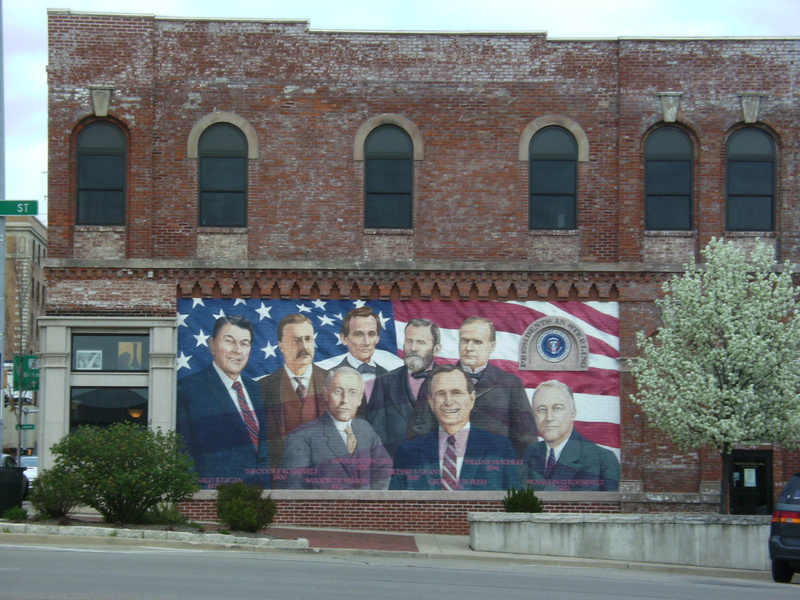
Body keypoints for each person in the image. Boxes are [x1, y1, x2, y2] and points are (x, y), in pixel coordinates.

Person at [407, 316, 536, 456]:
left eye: (477, 342)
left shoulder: (510, 384)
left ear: (491, 346)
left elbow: (526, 440)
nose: (469, 348)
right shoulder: (435, 379)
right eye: (465, 340)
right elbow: (419, 434)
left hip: (494, 471)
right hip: (445, 466)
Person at [176, 314, 270, 488]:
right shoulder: (187, 390)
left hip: (262, 497)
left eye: (244, 343)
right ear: (212, 345)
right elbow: (183, 454)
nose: (237, 350)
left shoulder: (258, 389)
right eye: (229, 341)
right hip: (214, 500)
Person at [390, 365, 520, 491]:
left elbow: (513, 507)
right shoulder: (407, 453)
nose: (449, 401)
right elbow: (395, 507)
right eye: (441, 394)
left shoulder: (500, 449)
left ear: (472, 399)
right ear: (431, 402)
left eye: (456, 393)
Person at [280, 367, 391, 490]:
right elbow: (293, 490)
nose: (345, 400)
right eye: (338, 391)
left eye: (353, 392)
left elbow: (383, 469)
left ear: (360, 398)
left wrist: (371, 502)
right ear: (325, 394)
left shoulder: (366, 429)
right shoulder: (301, 438)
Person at [260, 313, 329, 479]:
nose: (303, 346)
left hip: (327, 480)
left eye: (308, 339)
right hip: (280, 482)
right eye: (296, 340)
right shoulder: (262, 388)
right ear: (281, 346)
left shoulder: (335, 382)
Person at [521, 380, 620, 491]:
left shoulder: (603, 460)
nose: (549, 418)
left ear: (572, 414)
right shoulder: (529, 454)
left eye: (557, 408)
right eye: (542, 410)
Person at [368, 318, 442, 457]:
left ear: (436, 349)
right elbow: (375, 434)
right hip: (396, 468)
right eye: (409, 341)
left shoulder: (451, 380)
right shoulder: (384, 382)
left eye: (421, 342)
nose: (413, 348)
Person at [335, 306, 388, 404]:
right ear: (344, 338)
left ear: (378, 338)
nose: (366, 342)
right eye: (359, 334)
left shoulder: (388, 377)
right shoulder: (332, 375)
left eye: (371, 334)